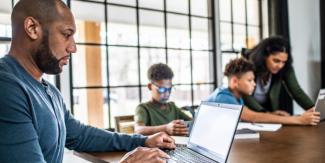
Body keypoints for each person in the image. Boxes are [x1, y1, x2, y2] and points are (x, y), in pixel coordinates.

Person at [0, 1, 175, 163]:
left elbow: (81, 135)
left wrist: (144, 140)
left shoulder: (49, 91)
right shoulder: (6, 88)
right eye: (66, 34)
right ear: (32, 28)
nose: (73, 47)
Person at [207, 58, 320, 125]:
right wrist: (299, 120)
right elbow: (252, 116)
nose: (254, 84)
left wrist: (271, 114)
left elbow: (247, 113)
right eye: (250, 80)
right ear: (235, 81)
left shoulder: (236, 96)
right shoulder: (223, 97)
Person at [242, 36, 316, 116]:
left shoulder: (285, 68)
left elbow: (297, 92)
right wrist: (266, 114)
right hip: (249, 114)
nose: (280, 66)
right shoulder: (248, 66)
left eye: (283, 62)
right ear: (264, 56)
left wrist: (315, 110)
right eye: (276, 61)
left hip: (270, 113)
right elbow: (245, 95)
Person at [134, 63, 192, 136]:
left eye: (169, 89)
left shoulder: (172, 107)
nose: (167, 93)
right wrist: (166, 128)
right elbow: (138, 130)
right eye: (162, 89)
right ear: (150, 86)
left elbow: (192, 122)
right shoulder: (143, 108)